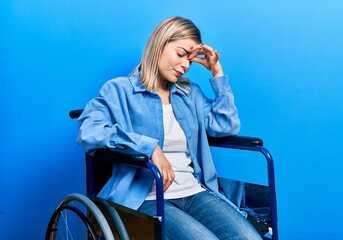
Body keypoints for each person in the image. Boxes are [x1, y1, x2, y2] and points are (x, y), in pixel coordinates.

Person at [77, 16, 262, 240]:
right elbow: (89, 131)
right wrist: (149, 147)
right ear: (160, 44)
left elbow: (226, 125)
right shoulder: (120, 90)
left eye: (190, 61)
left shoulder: (189, 94)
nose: (185, 65)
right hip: (146, 197)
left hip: (194, 192)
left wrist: (217, 74)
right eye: (181, 54)